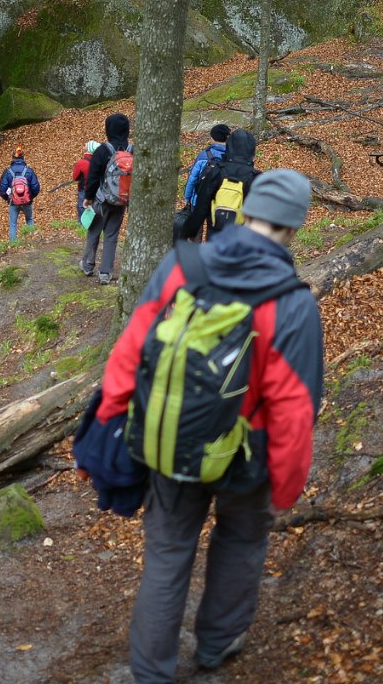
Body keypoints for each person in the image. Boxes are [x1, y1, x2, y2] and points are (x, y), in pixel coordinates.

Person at [94, 170, 323, 683]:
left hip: (171, 437)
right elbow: (294, 410)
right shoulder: (293, 303)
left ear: (247, 210)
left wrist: (110, 421)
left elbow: (132, 350)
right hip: (248, 457)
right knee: (241, 538)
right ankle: (218, 642)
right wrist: (285, 486)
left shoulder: (183, 265)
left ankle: (151, 671)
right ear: (295, 226)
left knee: (169, 551)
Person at [181, 128, 260, 241]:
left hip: (214, 239)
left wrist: (188, 232)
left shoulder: (216, 172)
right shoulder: (256, 178)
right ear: (252, 152)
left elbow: (201, 207)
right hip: (242, 243)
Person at [80, 112, 131, 285]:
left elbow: (93, 176)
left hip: (101, 200)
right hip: (122, 201)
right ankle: (105, 273)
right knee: (111, 235)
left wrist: (87, 197)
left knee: (94, 232)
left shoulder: (103, 150)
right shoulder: (132, 150)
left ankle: (88, 265)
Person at [0, 146, 42, 241]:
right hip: (27, 201)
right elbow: (36, 187)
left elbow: (2, 189)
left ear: (12, 158)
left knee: (13, 224)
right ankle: (32, 242)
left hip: (13, 202)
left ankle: (13, 246)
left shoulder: (8, 172)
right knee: (29, 220)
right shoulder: (28, 171)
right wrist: (29, 196)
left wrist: (8, 198)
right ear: (23, 158)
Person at [183, 123, 230, 206]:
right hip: (223, 204)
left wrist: (187, 198)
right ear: (227, 138)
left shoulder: (203, 155)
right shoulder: (233, 157)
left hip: (200, 201)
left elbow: (192, 179)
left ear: (212, 138)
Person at [72, 140, 100, 220]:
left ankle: (82, 227)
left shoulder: (81, 163)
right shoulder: (99, 163)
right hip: (97, 190)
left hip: (84, 190)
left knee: (82, 208)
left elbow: (75, 177)